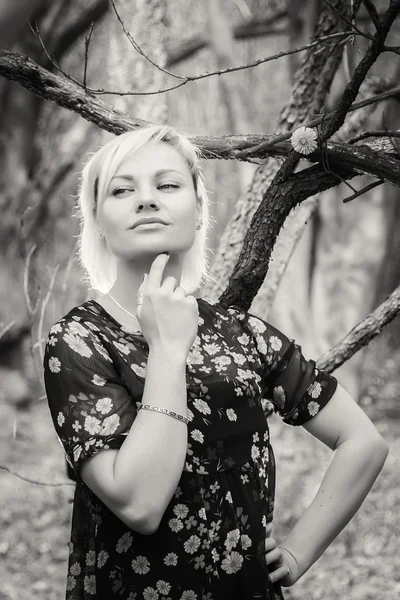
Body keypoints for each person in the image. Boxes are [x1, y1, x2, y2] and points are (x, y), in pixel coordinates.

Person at [43, 124, 389, 600]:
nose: (146, 200)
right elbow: (140, 504)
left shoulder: (242, 334)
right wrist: (167, 350)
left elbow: (363, 442)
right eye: (122, 190)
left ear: (198, 208)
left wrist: (298, 552)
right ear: (97, 220)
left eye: (166, 185)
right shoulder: (79, 341)